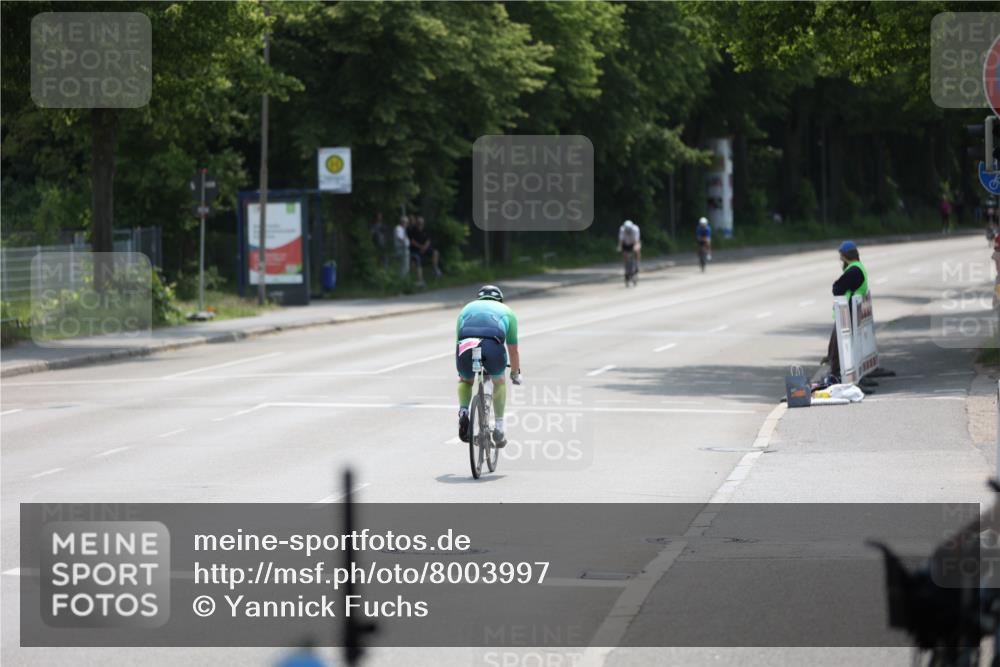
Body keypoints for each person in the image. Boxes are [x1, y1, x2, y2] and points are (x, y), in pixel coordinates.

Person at [455, 285, 521, 447]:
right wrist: (515, 373)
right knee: (499, 381)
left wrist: (461, 372)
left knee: (465, 380)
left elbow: (458, 342)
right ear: (500, 300)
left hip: (466, 345)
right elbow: (513, 351)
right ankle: (499, 427)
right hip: (492, 346)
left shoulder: (466, 309)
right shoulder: (507, 311)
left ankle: (463, 412)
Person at [825, 240, 868, 381]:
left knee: (837, 347)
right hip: (850, 313)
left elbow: (837, 288)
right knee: (837, 346)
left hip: (847, 314)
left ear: (843, 256)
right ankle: (839, 373)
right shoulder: (858, 267)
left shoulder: (853, 271)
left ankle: (836, 375)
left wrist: (838, 284)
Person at [408, 216, 442, 280]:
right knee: (417, 260)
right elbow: (412, 241)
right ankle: (419, 279)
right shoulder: (413, 230)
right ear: (417, 223)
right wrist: (421, 247)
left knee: (435, 252)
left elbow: (428, 240)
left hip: (425, 248)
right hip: (416, 249)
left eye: (421, 223)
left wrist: (424, 247)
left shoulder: (425, 229)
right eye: (419, 223)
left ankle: (435, 268)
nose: (420, 224)